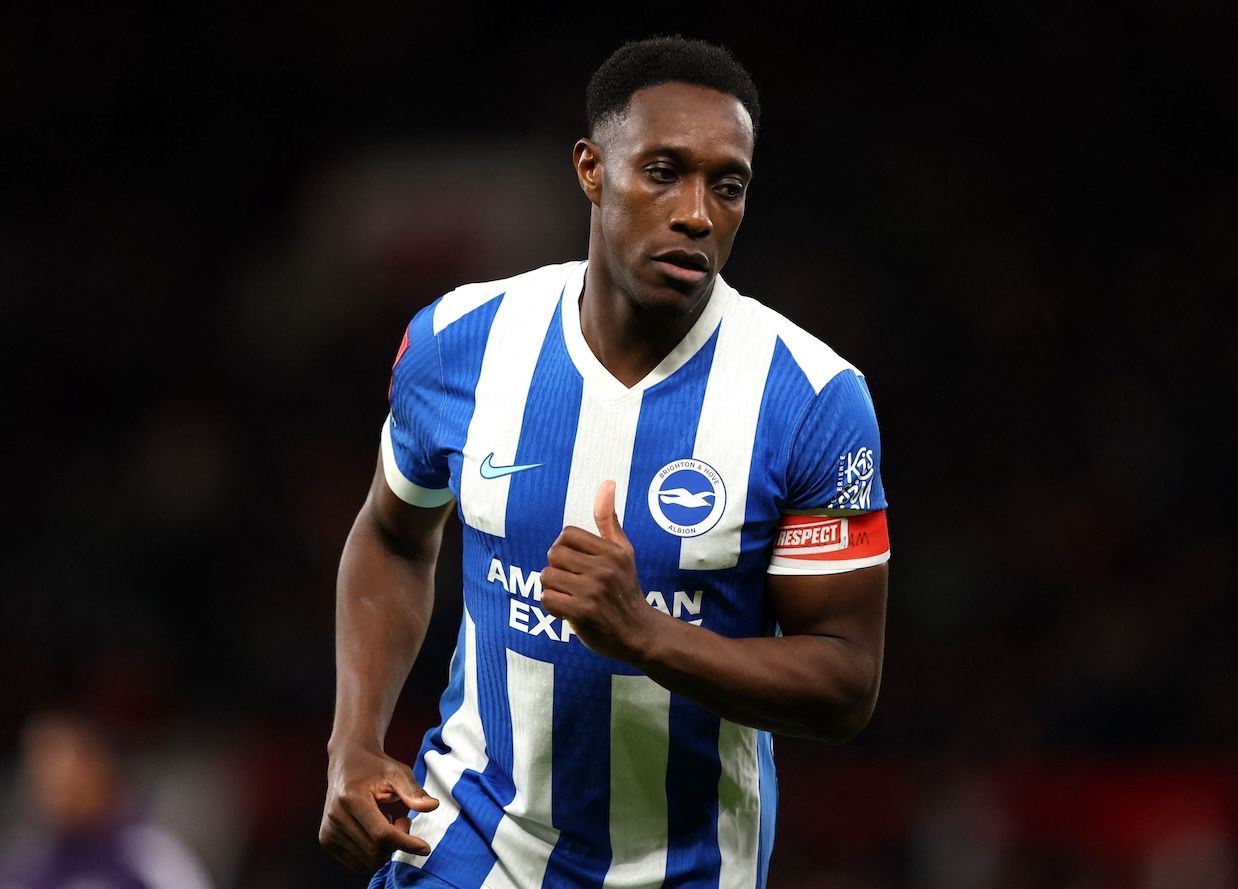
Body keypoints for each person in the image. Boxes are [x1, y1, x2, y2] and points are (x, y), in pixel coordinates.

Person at [319, 36, 891, 889]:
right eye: (663, 172)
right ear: (591, 169)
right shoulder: (459, 343)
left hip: (690, 867)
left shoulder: (812, 399)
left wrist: (646, 634)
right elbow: (394, 536)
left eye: (727, 185)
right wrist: (354, 743)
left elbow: (846, 680)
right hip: (470, 842)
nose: (696, 213)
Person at [1, 712, 216, 889]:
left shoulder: (149, 853)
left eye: (59, 761)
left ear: (98, 767)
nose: (48, 778)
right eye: (37, 765)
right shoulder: (27, 858)